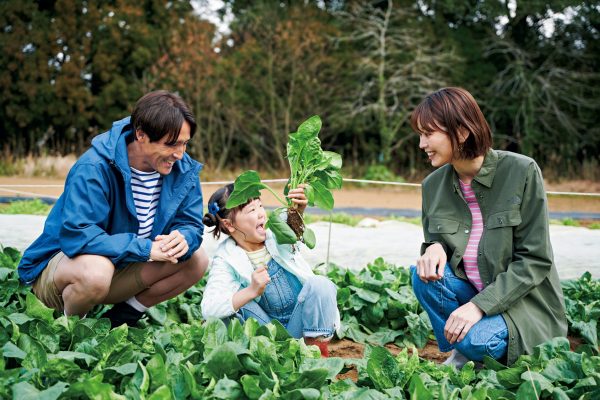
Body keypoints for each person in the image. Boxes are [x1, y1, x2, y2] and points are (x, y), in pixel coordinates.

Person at [18, 90, 209, 328]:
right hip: (63, 272)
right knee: (97, 271)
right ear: (141, 135)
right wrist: (146, 248)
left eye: (185, 144)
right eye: (171, 144)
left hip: (120, 267)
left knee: (196, 259)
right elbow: (79, 235)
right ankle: (74, 330)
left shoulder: (183, 169)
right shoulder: (94, 167)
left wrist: (184, 237)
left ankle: (121, 318)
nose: (180, 154)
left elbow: (190, 223)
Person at [410, 87, 567, 367]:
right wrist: (433, 248)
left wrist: (478, 307)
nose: (421, 144)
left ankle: (469, 346)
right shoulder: (432, 186)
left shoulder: (522, 171)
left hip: (521, 307)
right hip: (474, 295)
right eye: (420, 135)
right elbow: (437, 241)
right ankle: (466, 346)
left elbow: (535, 259)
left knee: (475, 341)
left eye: (428, 133)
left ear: (460, 131)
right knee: (419, 276)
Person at [200, 184, 339, 357]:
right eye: (252, 210)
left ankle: (315, 355)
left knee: (321, 284)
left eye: (260, 206)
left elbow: (292, 226)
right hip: (266, 336)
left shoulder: (277, 233)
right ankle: (274, 357)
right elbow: (209, 308)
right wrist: (251, 290)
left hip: (302, 325)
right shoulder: (225, 258)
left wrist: (298, 210)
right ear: (229, 225)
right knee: (233, 305)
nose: (261, 213)